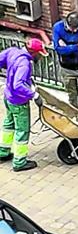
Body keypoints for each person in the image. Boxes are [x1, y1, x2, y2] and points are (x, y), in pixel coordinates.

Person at [0, 38, 48, 172]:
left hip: (8, 96)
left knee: (8, 125)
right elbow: (18, 84)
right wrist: (34, 95)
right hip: (19, 101)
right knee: (22, 131)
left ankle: (3, 152)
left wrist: (12, 71)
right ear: (34, 53)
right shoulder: (25, 64)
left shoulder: (13, 52)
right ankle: (19, 162)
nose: (40, 57)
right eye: (40, 54)